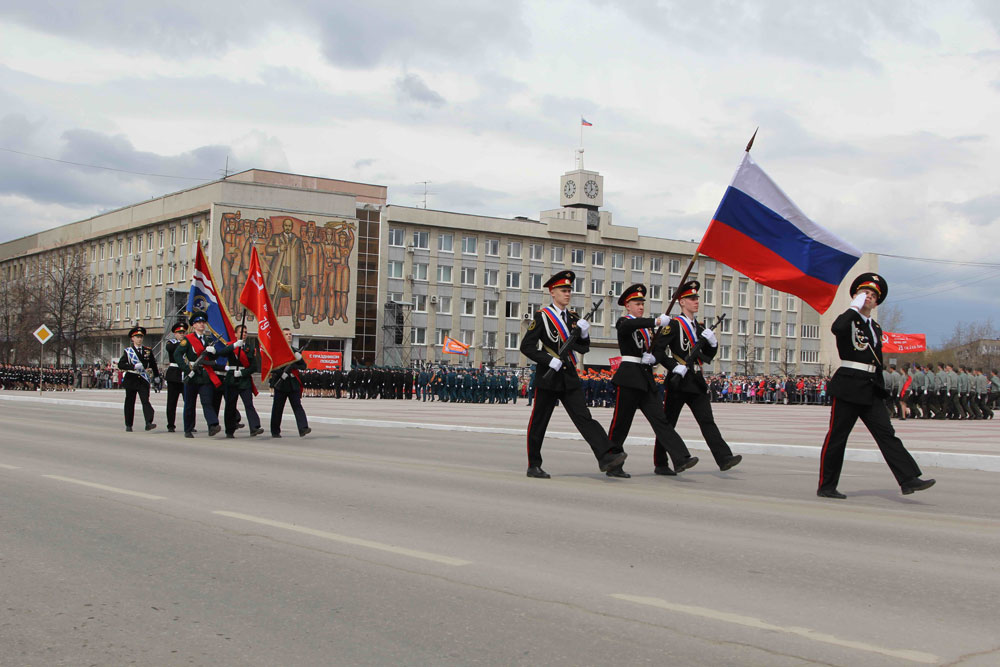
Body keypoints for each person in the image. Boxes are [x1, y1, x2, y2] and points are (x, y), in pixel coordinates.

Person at [817, 273, 935, 499]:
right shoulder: (849, 319)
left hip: (870, 387)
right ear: (856, 296)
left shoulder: (876, 327)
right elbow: (838, 329)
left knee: (887, 434)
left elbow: (877, 360)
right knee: (838, 436)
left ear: (877, 301)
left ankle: (908, 478)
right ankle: (827, 485)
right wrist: (854, 307)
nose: (868, 297)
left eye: (873, 295)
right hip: (849, 386)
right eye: (864, 293)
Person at [519, 270, 627, 478]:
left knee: (584, 418)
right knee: (540, 421)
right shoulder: (542, 316)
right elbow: (527, 347)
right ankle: (534, 464)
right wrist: (549, 359)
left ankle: (606, 456)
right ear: (553, 292)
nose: (567, 294)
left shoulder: (574, 318)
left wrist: (584, 333)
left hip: (568, 376)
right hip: (548, 375)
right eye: (563, 290)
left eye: (569, 290)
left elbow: (583, 348)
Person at [606, 284, 699, 478]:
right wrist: (655, 321)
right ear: (628, 306)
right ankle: (612, 462)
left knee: (661, 420)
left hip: (645, 378)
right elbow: (628, 327)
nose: (640, 307)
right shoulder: (625, 322)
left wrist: (654, 357)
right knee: (621, 423)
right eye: (637, 304)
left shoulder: (647, 329)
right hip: (629, 378)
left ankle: (680, 457)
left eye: (642, 304)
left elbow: (657, 350)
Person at [652, 280, 742, 473]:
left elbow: (708, 356)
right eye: (691, 298)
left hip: (696, 381)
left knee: (707, 420)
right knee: (668, 422)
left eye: (696, 298)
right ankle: (661, 463)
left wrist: (713, 342)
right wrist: (674, 366)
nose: (696, 301)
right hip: (678, 381)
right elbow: (658, 350)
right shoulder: (674, 325)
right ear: (681, 302)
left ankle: (724, 457)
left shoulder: (699, 328)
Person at [175, 311, 238, 438]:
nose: (202, 324)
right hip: (193, 375)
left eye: (203, 322)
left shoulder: (208, 340)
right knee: (189, 404)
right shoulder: (187, 340)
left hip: (205, 375)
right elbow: (177, 355)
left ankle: (213, 425)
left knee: (207, 402)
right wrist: (187, 369)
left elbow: (213, 357)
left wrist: (213, 351)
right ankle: (188, 429)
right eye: (199, 322)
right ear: (193, 325)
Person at [223, 324, 264, 438]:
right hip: (231, 378)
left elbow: (253, 367)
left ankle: (254, 427)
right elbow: (222, 353)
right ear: (236, 334)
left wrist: (242, 373)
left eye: (245, 332)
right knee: (230, 405)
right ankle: (229, 430)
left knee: (249, 404)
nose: (244, 334)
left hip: (244, 379)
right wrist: (234, 346)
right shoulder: (231, 346)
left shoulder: (250, 348)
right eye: (241, 332)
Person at [117, 325, 160, 432]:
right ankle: (129, 424)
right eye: (137, 337)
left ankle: (148, 422)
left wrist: (157, 376)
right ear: (132, 338)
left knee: (145, 401)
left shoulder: (147, 351)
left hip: (143, 379)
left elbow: (153, 364)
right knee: (130, 402)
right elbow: (121, 365)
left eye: (141, 337)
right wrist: (132, 366)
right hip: (131, 378)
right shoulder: (128, 351)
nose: (139, 339)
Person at [269, 328, 310, 437]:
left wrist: (295, 362)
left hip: (292, 383)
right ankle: (275, 431)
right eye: (286, 334)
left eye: (290, 334)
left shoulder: (295, 351)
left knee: (297, 406)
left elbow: (303, 366)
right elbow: (271, 366)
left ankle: (303, 428)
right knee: (278, 408)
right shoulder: (276, 351)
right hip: (281, 382)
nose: (289, 336)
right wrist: (281, 372)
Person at [163, 320, 188, 432]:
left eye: (183, 332)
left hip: (186, 373)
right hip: (174, 374)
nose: (182, 334)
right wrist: (183, 343)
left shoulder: (188, 342)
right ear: (175, 334)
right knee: (172, 402)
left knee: (188, 401)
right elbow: (170, 349)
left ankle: (189, 424)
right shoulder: (171, 342)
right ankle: (170, 425)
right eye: (179, 332)